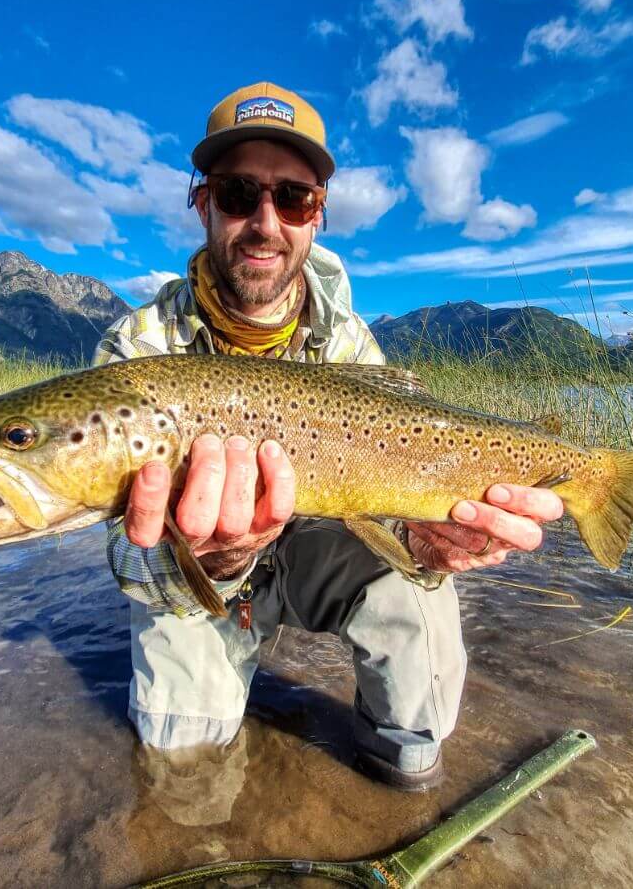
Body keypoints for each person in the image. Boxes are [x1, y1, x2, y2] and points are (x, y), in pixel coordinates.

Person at [92, 83, 563, 790]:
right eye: (238, 191)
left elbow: (394, 506)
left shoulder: (348, 341)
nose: (263, 220)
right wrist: (213, 562)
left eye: (292, 199)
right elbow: (123, 560)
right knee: (180, 769)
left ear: (317, 218)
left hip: (318, 546)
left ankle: (400, 761)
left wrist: (429, 542)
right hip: (197, 574)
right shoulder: (137, 348)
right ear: (202, 203)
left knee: (418, 595)